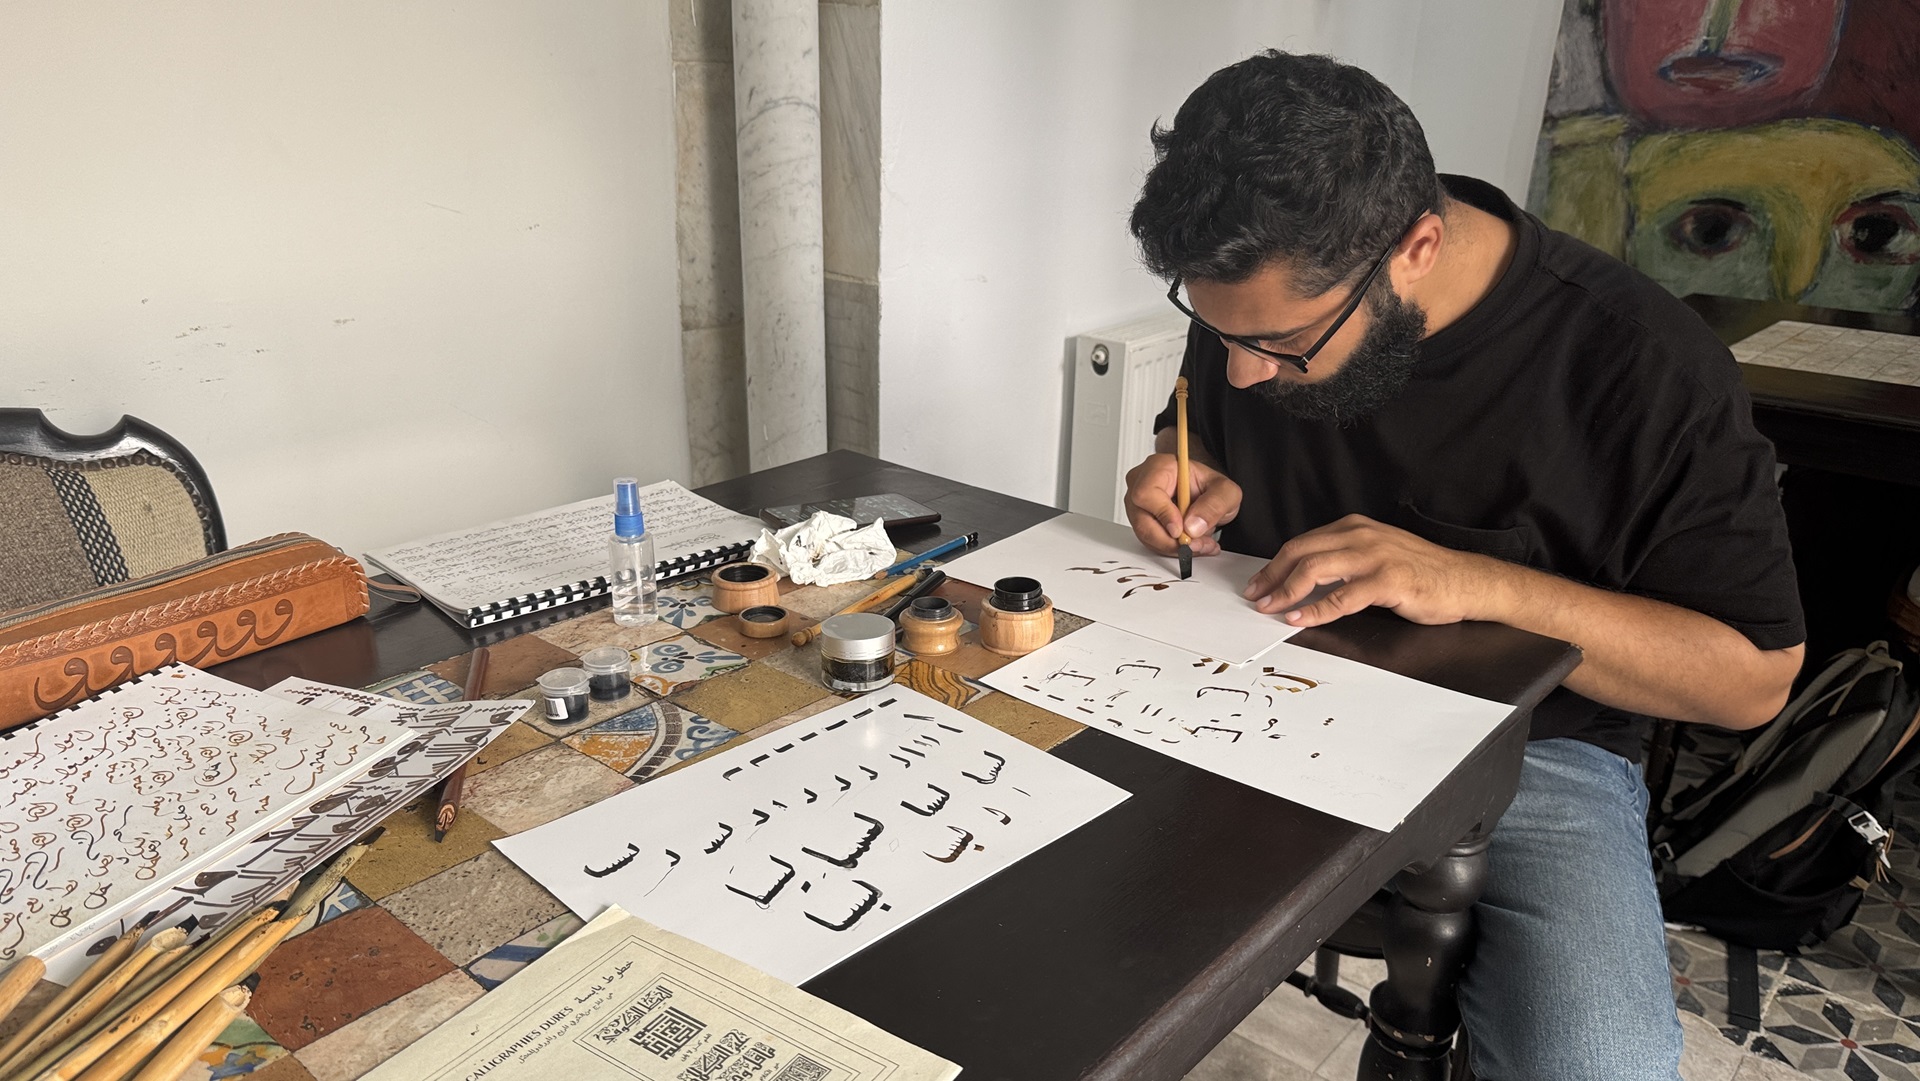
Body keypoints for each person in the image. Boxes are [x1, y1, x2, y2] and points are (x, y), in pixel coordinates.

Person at [1124, 50, 1805, 1081]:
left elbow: (1752, 677)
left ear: (1417, 247)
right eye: (1218, 335)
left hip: (1531, 750)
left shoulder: (1644, 365)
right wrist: (1189, 474)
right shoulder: (1265, 305)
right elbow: (1218, 428)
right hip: (1245, 678)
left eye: (1281, 346)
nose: (1242, 372)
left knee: (1599, 1065)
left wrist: (1475, 584)